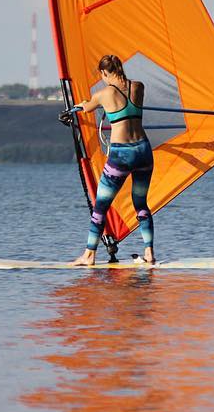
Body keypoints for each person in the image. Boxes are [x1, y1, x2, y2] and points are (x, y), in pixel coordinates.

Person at [60, 55, 154, 266]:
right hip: (143, 151)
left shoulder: (104, 94)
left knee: (100, 206)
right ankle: (149, 253)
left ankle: (89, 255)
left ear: (104, 73)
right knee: (141, 203)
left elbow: (86, 107)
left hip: (122, 154)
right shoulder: (139, 87)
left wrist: (74, 108)